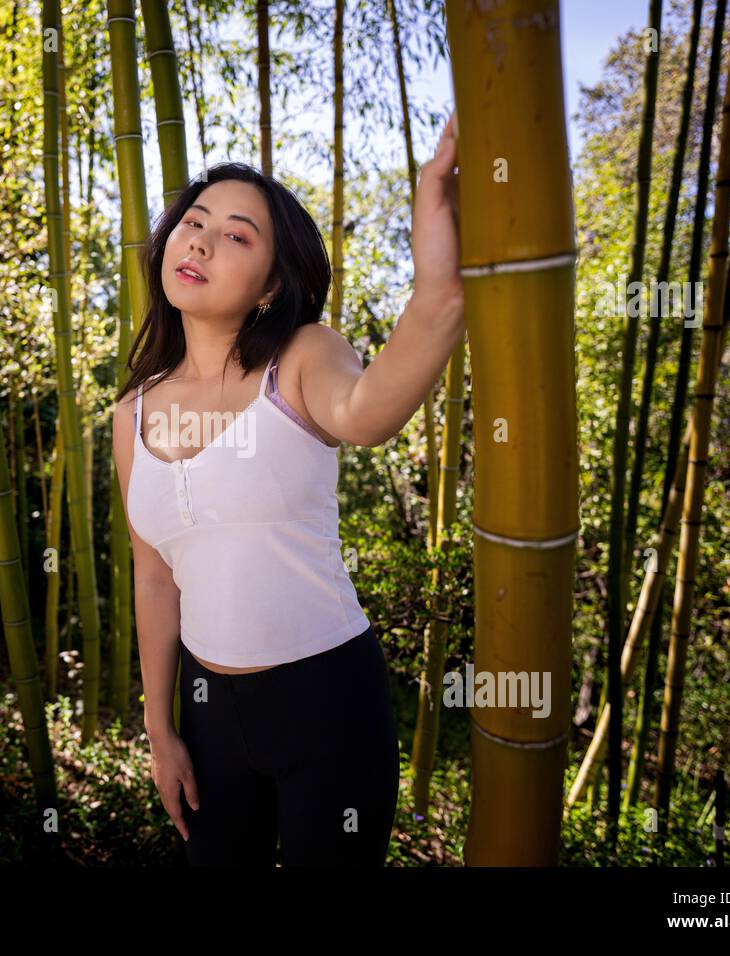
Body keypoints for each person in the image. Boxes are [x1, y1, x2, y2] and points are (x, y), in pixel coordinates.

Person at [111, 114, 463, 866]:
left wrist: (439, 280)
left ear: (272, 283)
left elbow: (367, 415)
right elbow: (153, 576)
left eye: (237, 235)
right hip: (209, 712)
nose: (200, 240)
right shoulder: (130, 410)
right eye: (193, 221)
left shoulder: (302, 359)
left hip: (327, 700)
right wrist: (160, 727)